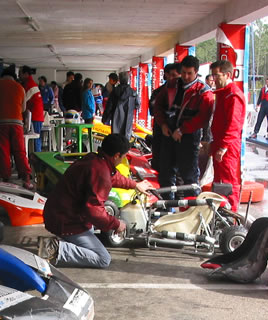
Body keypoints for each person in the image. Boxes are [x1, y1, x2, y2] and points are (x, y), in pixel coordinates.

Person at [38, 134, 153, 268]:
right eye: (123, 157)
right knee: (103, 258)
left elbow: (113, 177)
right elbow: (94, 211)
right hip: (66, 221)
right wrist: (116, 224)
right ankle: (54, 248)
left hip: (58, 213)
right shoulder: (101, 171)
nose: (123, 160)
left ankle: (65, 243)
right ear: (116, 155)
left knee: (91, 231)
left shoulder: (95, 160)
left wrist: (135, 185)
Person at [152, 55, 214, 191]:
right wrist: (162, 124)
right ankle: (166, 206)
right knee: (166, 173)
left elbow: (203, 118)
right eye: (184, 72)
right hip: (168, 134)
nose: (186, 76)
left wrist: (182, 130)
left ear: (196, 72)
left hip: (189, 137)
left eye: (189, 73)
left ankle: (190, 208)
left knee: (188, 176)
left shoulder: (203, 91)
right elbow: (158, 106)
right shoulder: (171, 85)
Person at [0, 65, 33, 189]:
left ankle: (6, 178)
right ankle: (26, 178)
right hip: (16, 123)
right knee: (20, 150)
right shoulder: (20, 87)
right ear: (14, 78)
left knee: (3, 151)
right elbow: (24, 109)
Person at [208, 60, 246, 211]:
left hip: (228, 147)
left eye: (217, 76)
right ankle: (222, 214)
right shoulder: (224, 94)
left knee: (228, 182)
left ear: (227, 75)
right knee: (219, 182)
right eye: (213, 76)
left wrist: (223, 147)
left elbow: (234, 124)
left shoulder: (233, 96)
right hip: (220, 143)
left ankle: (232, 216)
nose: (214, 79)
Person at [149, 63, 181, 171]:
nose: (172, 78)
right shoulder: (159, 92)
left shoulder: (185, 92)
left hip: (177, 134)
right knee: (159, 161)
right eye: (169, 75)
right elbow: (153, 110)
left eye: (175, 75)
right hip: (160, 131)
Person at [102, 72, 140, 138]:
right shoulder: (133, 92)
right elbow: (137, 105)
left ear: (119, 80)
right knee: (126, 139)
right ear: (128, 80)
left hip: (116, 119)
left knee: (116, 139)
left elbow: (109, 106)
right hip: (128, 119)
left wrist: (105, 118)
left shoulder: (114, 92)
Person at [20, 65, 44, 152]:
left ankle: (38, 159)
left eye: (20, 74)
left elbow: (22, 100)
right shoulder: (29, 84)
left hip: (35, 116)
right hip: (35, 116)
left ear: (26, 74)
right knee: (36, 139)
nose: (19, 76)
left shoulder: (30, 85)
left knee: (36, 138)